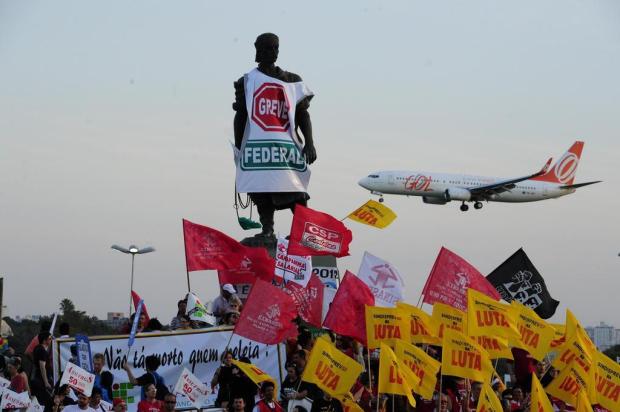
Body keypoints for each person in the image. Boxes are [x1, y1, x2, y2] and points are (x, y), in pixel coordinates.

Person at [233, 33, 317, 242]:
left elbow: (303, 114)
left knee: (295, 189)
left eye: (276, 48)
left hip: (286, 148)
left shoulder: (291, 80)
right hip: (259, 148)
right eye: (269, 48)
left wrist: (310, 143)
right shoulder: (248, 82)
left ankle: (302, 231)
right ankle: (267, 230)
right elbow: (241, 115)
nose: (273, 52)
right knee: (260, 188)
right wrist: (239, 149)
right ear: (258, 51)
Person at [31, 331, 54, 405]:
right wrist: (46, 382)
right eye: (49, 339)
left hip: (37, 379)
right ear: (44, 340)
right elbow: (42, 367)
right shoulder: (42, 350)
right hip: (41, 381)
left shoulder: (37, 348)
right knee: (44, 402)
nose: (51, 340)